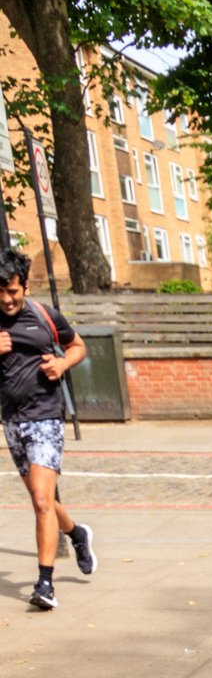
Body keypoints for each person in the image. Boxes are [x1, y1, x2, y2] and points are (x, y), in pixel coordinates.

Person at [0, 247, 96, 609]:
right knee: (43, 499)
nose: (7, 300)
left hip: (45, 416)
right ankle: (77, 532)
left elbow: (78, 346)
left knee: (42, 499)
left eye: (13, 291)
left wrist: (62, 363)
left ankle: (45, 584)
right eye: (0, 292)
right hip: (12, 420)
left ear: (24, 287)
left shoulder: (44, 315)